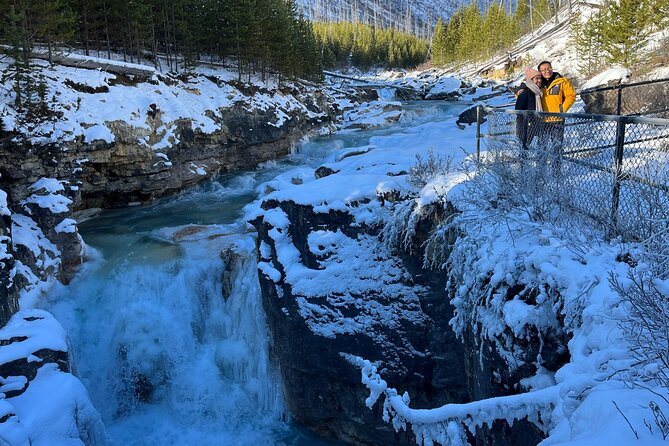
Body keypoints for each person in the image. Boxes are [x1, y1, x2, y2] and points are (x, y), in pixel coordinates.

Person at [515, 67, 544, 150]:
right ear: (531, 80)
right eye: (536, 78)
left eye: (540, 78)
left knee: (540, 147)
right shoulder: (525, 92)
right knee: (524, 147)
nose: (539, 80)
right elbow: (519, 110)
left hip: (538, 123)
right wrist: (526, 121)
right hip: (526, 125)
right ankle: (523, 162)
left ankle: (539, 162)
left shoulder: (538, 92)